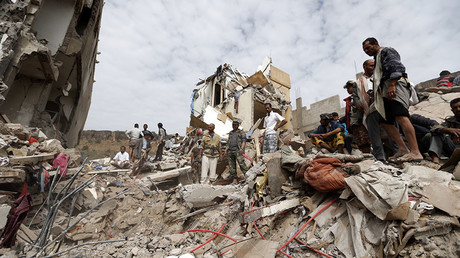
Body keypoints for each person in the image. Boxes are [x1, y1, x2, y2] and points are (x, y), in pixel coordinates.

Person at [362, 37, 422, 162]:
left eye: (368, 47)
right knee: (386, 121)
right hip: (386, 90)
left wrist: (392, 84)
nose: (367, 51)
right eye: (365, 49)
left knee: (401, 116)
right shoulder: (377, 57)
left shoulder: (386, 51)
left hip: (396, 85)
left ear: (376, 44)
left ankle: (416, 152)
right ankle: (403, 149)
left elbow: (396, 67)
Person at [343, 80, 371, 153]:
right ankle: (365, 155)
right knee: (359, 140)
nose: (348, 90)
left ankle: (368, 154)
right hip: (353, 123)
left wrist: (355, 104)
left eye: (349, 88)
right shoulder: (349, 99)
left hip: (361, 121)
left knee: (365, 139)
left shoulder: (360, 95)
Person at [225, 120, 250, 184]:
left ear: (238, 125)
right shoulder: (231, 133)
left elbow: (244, 141)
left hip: (238, 150)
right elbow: (228, 142)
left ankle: (248, 176)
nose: (234, 126)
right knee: (231, 166)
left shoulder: (241, 132)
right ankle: (235, 179)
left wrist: (242, 148)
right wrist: (226, 149)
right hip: (230, 150)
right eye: (233, 125)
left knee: (241, 164)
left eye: (235, 125)